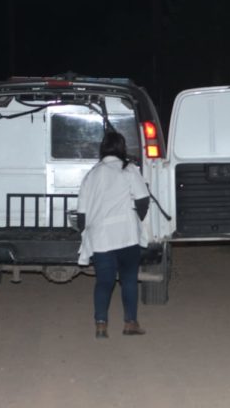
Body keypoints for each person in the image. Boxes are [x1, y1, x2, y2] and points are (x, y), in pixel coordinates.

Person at [76, 131, 151, 339]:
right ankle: (130, 323)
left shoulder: (92, 174)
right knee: (128, 280)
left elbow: (81, 213)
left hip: (101, 238)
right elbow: (143, 200)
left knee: (104, 282)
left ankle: (101, 324)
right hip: (126, 235)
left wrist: (86, 232)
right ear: (122, 148)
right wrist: (137, 219)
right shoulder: (129, 170)